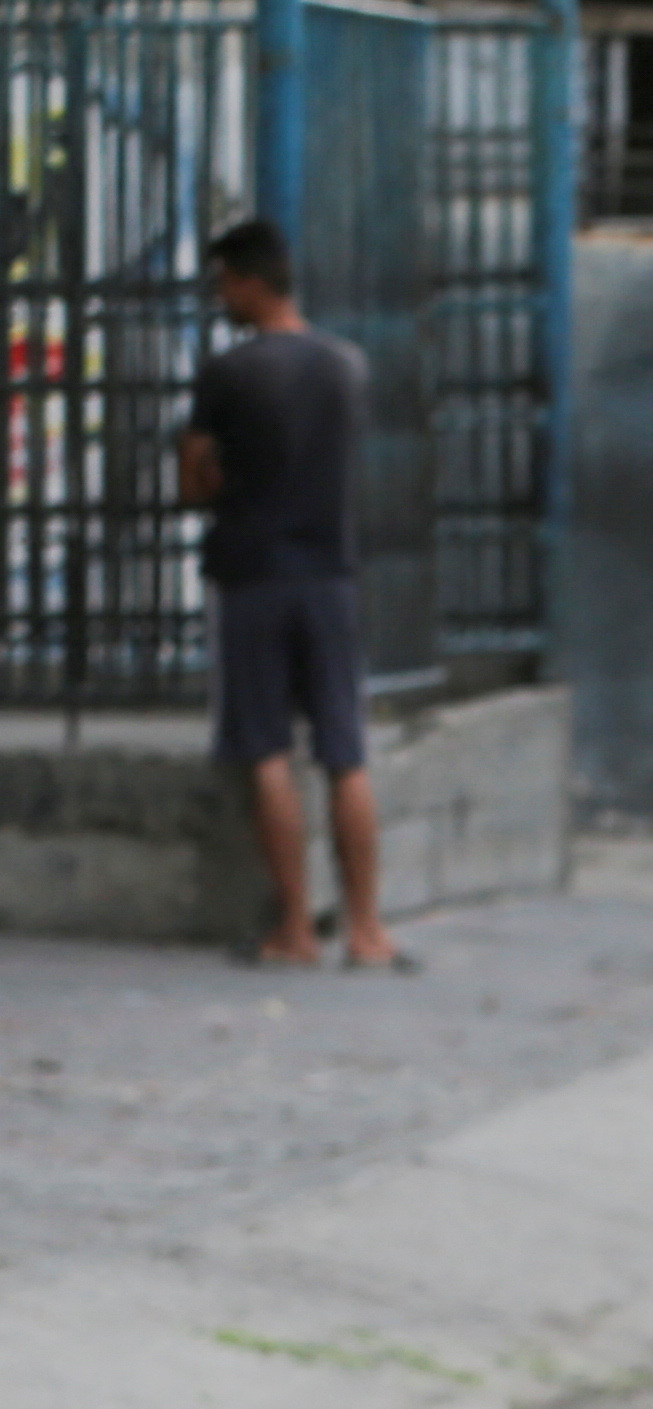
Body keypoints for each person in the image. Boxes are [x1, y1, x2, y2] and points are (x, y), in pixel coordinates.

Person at [178, 218, 388, 972]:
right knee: (345, 752)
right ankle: (367, 930)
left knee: (266, 750)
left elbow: (192, 474)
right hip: (330, 574)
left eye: (223, 283)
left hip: (254, 576)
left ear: (248, 280)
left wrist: (225, 483)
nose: (220, 298)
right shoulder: (346, 365)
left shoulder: (229, 373)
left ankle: (295, 928)